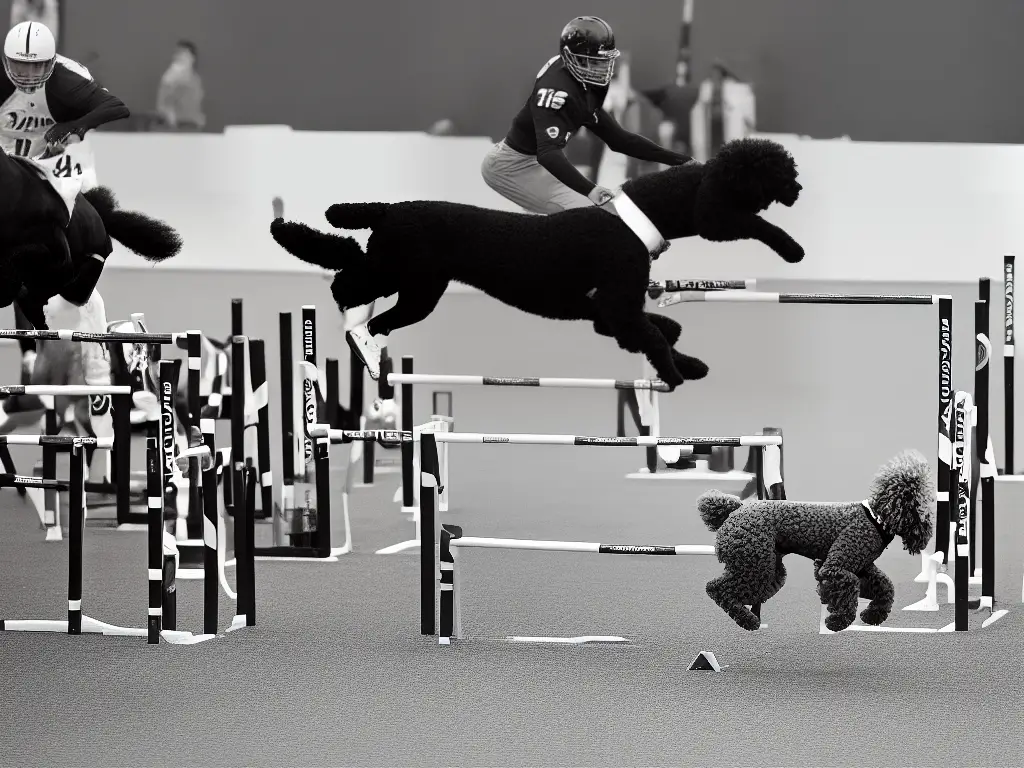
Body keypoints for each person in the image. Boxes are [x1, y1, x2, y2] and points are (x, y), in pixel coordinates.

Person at [0, 20, 129, 460]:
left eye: (38, 68)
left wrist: (76, 126)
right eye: (20, 66)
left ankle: (97, 376)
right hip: (10, 173)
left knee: (67, 283)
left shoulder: (68, 83)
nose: (28, 76)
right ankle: (30, 356)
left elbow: (117, 106)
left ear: (52, 65)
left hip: (61, 167)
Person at [479, 16, 693, 216]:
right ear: (573, 58)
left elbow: (620, 140)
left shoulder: (585, 83)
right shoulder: (556, 91)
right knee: (593, 217)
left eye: (605, 60)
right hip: (512, 167)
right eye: (595, 61)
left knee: (610, 212)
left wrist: (681, 161)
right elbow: (548, 153)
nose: (604, 68)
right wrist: (590, 189)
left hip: (539, 164)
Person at [156, 41, 205, 130]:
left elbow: (196, 103)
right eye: (178, 53)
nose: (180, 56)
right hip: (177, 125)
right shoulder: (170, 78)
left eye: (184, 53)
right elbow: (163, 104)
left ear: (192, 58)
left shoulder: (196, 79)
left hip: (193, 125)